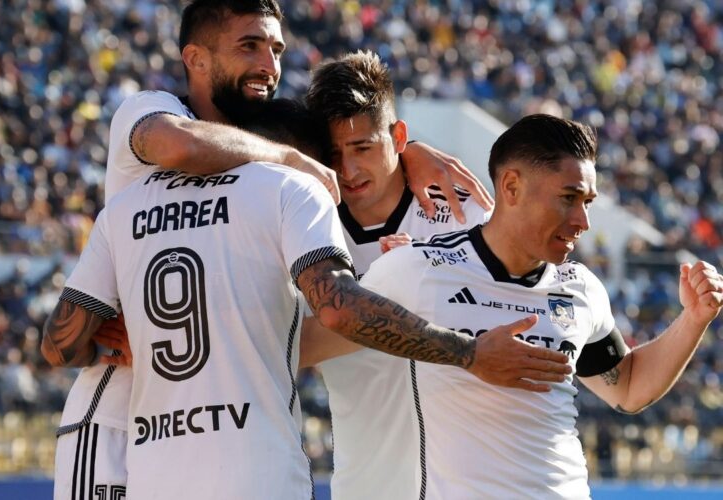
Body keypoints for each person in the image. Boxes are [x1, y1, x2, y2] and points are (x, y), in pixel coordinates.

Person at [48, 1, 492, 497]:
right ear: (194, 58)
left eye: (277, 48)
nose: (269, 64)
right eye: (250, 46)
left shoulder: (274, 184)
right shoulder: (155, 112)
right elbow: (181, 145)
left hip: (223, 448)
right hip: (118, 423)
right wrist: (290, 161)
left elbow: (285, 332)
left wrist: (404, 154)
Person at [355, 114, 723, 499]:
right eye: (569, 198)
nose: (583, 221)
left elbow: (627, 386)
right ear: (511, 187)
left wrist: (694, 318)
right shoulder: (416, 268)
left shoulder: (580, 287)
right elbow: (326, 328)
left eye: (588, 202)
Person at [299, 50, 566, 500]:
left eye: (363, 148)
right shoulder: (306, 225)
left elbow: (516, 317)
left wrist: (425, 279)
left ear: (399, 136)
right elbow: (290, 345)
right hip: (368, 486)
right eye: (333, 153)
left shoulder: (463, 210)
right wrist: (396, 288)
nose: (348, 170)